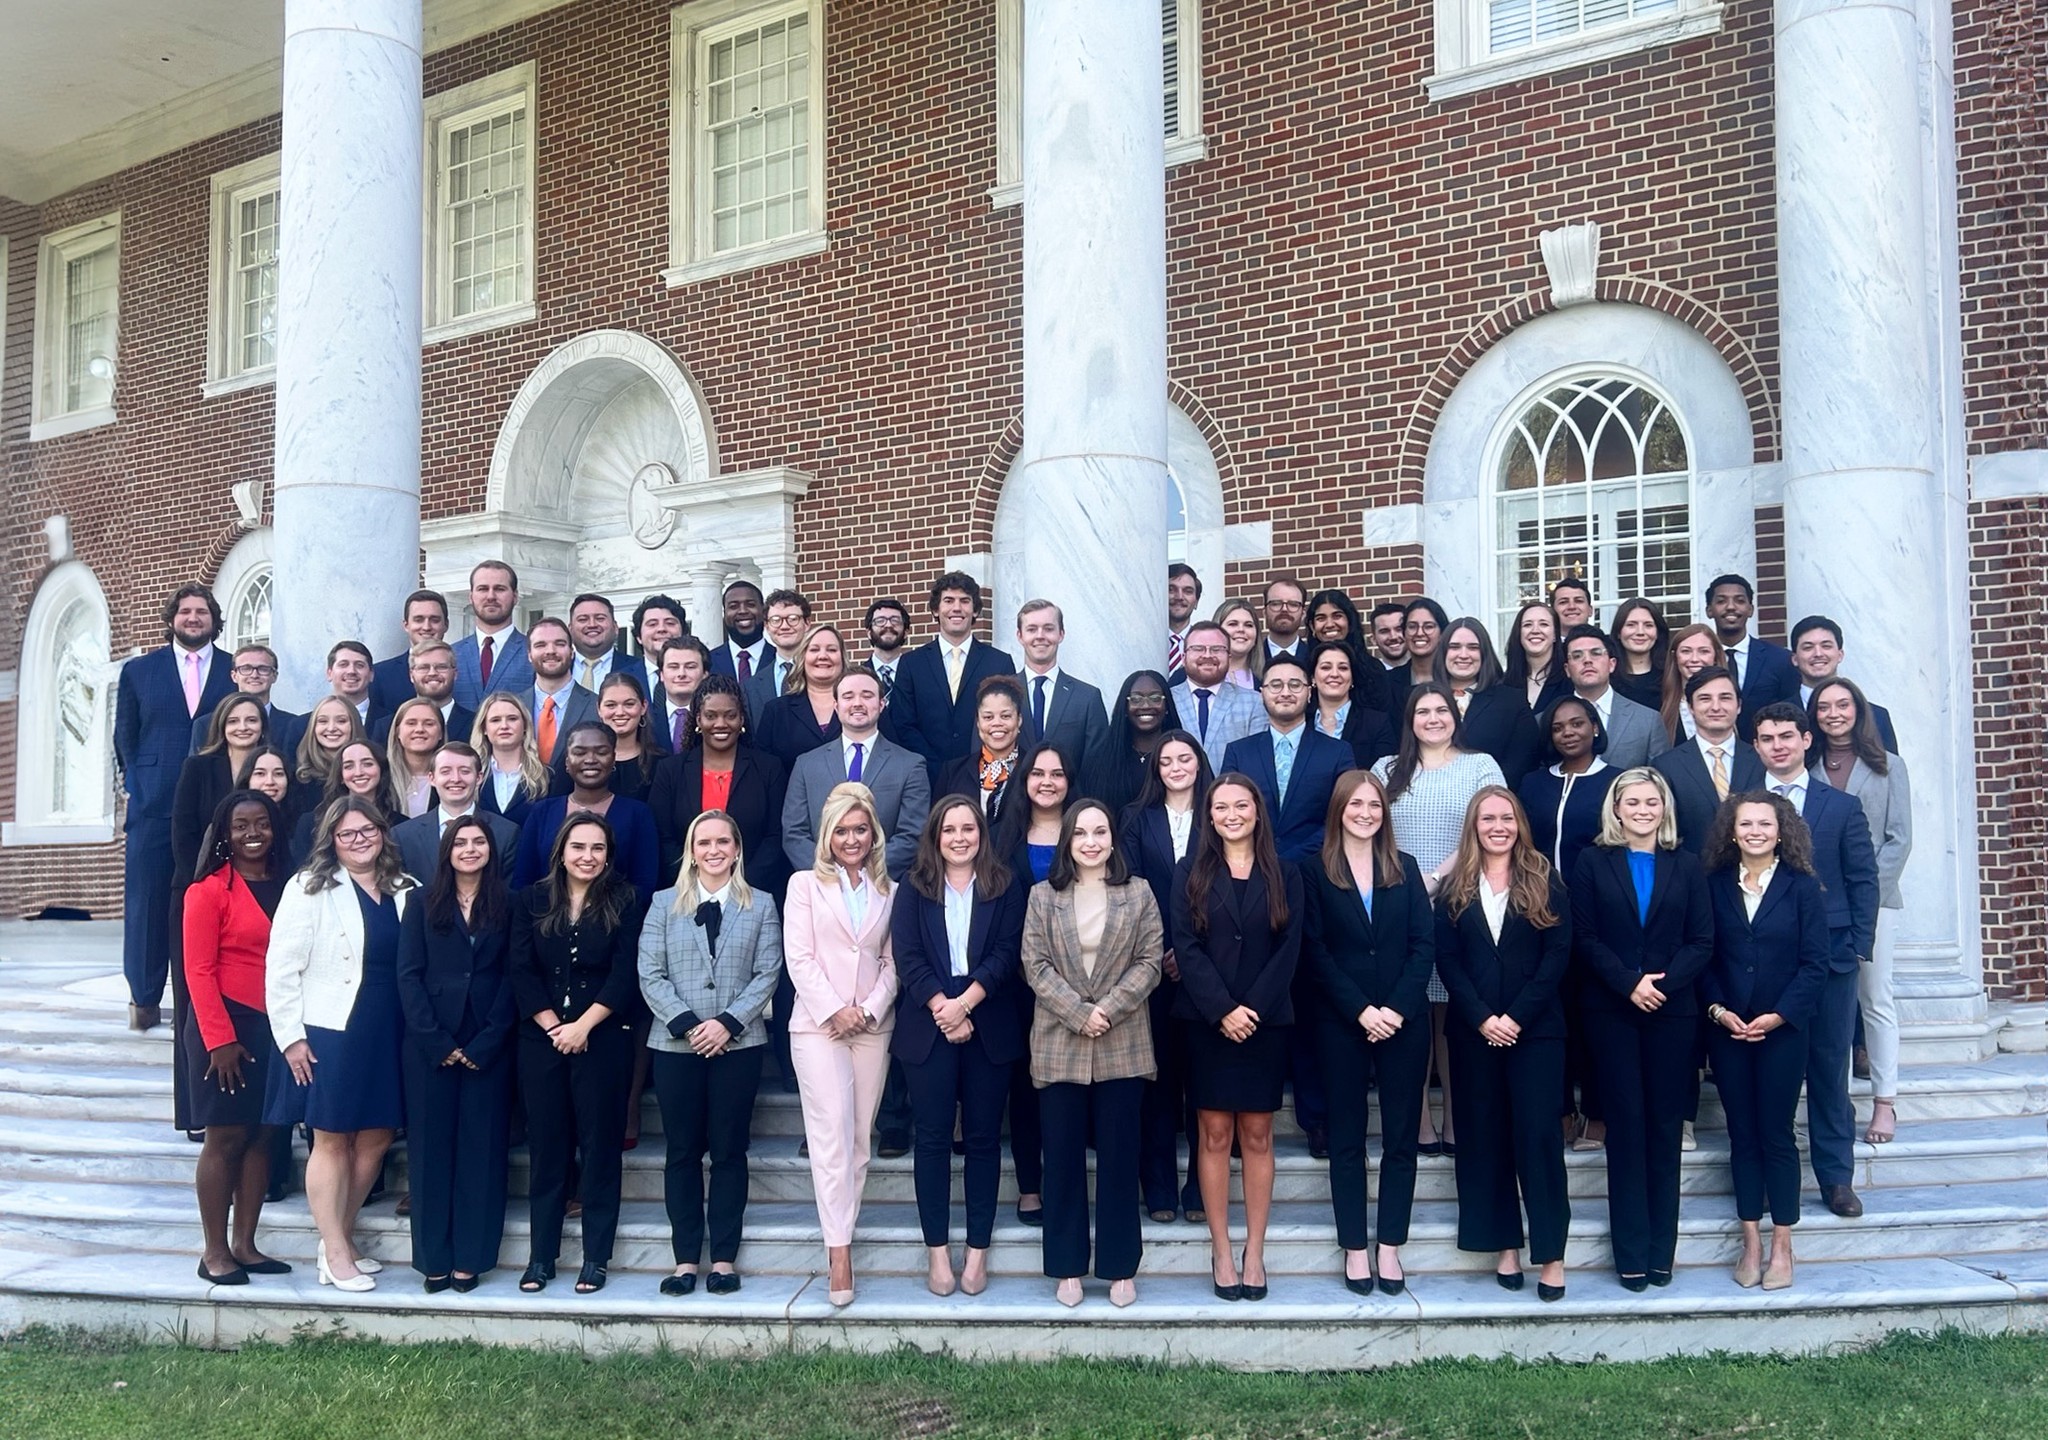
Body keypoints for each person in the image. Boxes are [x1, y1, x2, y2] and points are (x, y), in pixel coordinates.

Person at [1568, 769, 1713, 1290]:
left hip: (1673, 1014)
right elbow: (1582, 936)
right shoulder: (1592, 861)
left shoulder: (1688, 865)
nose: (1643, 810)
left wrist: (1663, 985)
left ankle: (1661, 1255)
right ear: (1617, 808)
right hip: (1611, 1011)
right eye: (1633, 801)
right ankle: (1630, 1253)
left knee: (1664, 1130)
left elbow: (1701, 939)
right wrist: (1629, 984)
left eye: (1652, 801)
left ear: (1664, 808)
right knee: (1625, 1129)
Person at [266, 796, 414, 1291]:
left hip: (389, 1028)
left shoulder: (405, 888)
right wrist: (290, 1038)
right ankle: (333, 1251)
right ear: (332, 840)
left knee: (374, 1139)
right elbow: (281, 967)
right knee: (330, 1139)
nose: (359, 840)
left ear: (382, 832)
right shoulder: (309, 888)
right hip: (331, 1030)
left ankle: (341, 1239)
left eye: (367, 830)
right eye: (348, 834)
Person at [1022, 800, 1163, 1308]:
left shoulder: (1139, 893)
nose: (1090, 841)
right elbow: (1034, 965)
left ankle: (1120, 1266)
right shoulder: (1043, 897)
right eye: (1080, 833)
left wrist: (1107, 1008)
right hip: (1060, 1043)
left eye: (1099, 831)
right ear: (1067, 841)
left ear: (1111, 838)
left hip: (1122, 1044)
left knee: (1121, 1162)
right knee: (1060, 1161)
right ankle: (1066, 1267)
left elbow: (1151, 961)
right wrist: (1080, 1013)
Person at [1435, 786, 1572, 1301]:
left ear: (1519, 823)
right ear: (1473, 824)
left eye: (1507, 817)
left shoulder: (1544, 878)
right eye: (1488, 817)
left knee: (1537, 1140)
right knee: (1483, 1139)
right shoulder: (1455, 886)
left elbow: (1557, 955)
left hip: (1535, 1032)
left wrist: (1513, 1016)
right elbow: (1447, 961)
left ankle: (1552, 1256)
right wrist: (1482, 1017)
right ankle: (1505, 1246)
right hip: (1472, 1034)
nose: (1498, 826)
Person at [639, 810, 783, 1297]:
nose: (714, 850)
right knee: (681, 1152)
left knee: (728, 1151)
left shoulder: (761, 905)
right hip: (675, 1045)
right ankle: (684, 1261)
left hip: (738, 1045)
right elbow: (650, 972)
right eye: (704, 842)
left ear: (737, 849)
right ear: (691, 850)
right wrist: (687, 1024)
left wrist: (726, 1024)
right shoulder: (663, 904)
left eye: (724, 841)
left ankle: (723, 1258)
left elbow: (768, 972)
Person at [1173, 775, 1303, 1303]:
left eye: (1240, 805)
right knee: (1213, 1135)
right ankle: (1222, 1248)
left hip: (1266, 1023)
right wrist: (1224, 1010)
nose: (1231, 814)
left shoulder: (1285, 873)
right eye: (1220, 806)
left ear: (1257, 811)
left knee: (1257, 1135)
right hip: (1207, 1022)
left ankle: (1254, 1249)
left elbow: (1289, 948)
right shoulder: (1190, 872)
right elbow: (1185, 945)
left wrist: (1251, 1008)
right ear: (1209, 815)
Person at [891, 797, 1029, 1297]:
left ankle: (976, 1254)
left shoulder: (1005, 885)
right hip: (928, 1028)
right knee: (930, 1141)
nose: (959, 838)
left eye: (968, 828)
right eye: (949, 829)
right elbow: (906, 954)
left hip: (988, 1022)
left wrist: (965, 1004)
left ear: (981, 833)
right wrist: (942, 1007)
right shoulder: (913, 887)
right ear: (935, 835)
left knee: (982, 1140)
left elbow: (1007, 953)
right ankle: (937, 1256)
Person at [1304, 770, 1433, 1296]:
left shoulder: (1406, 867)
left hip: (1404, 1022)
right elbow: (1315, 951)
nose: (1365, 813)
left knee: (1401, 1139)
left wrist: (1396, 1009)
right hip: (1342, 1022)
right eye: (1355, 805)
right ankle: (1356, 1247)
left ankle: (1390, 1247)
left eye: (1374, 805)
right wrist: (1361, 1010)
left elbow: (1423, 945)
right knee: (1347, 1139)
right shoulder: (1314, 872)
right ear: (1339, 811)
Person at [1752, 701, 1879, 1218]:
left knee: (1829, 1069)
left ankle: (1835, 1177)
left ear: (1807, 740)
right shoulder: (1745, 806)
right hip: (1767, 961)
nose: (1778, 745)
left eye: (1787, 736)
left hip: (1832, 958)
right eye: (1767, 738)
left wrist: (1858, 946)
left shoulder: (1841, 806)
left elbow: (1863, 880)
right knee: (1772, 1073)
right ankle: (1770, 1174)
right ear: (1756, 746)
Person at [509, 812, 645, 1294]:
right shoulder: (531, 900)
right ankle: (541, 1258)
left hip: (603, 1039)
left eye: (598, 849)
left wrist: (583, 1025)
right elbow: (520, 970)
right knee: (548, 1151)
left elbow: (626, 972)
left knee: (601, 1149)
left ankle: (596, 1259)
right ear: (561, 853)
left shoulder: (625, 901)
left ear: (608, 856)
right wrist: (554, 1027)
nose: (587, 857)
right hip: (541, 1043)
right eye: (578, 847)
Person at [1701, 791, 1832, 1290]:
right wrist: (1718, 1010)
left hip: (1782, 1031)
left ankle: (1782, 1244)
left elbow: (1815, 963)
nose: (1755, 831)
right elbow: (1704, 955)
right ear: (1731, 831)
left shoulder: (1802, 887)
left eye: (1765, 823)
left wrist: (1779, 1016)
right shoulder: (1713, 886)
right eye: (1746, 823)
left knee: (1776, 1134)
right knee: (1743, 1133)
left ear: (1782, 831)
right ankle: (1750, 1240)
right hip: (1729, 1028)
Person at [1371, 682, 1506, 1156]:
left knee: (1451, 1014)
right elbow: (1371, 830)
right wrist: (1409, 888)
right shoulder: (1386, 770)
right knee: (1411, 1017)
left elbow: (1487, 828)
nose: (1432, 718)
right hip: (1397, 902)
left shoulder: (1480, 765)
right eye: (1422, 710)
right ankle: (1420, 1123)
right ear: (1409, 719)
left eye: (1441, 710)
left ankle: (1453, 1116)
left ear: (1455, 716)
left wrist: (1434, 880)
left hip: (1459, 899)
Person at [782, 782, 900, 1306]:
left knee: (857, 1138)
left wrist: (869, 1009)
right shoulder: (804, 885)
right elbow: (799, 957)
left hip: (873, 1026)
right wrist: (836, 1009)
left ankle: (843, 1225)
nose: (851, 839)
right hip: (819, 1026)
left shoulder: (890, 890)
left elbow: (896, 962)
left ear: (873, 833)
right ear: (826, 835)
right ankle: (839, 1250)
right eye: (841, 831)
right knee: (829, 1134)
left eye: (860, 829)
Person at [395, 814, 516, 1292]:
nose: (470, 849)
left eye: (478, 841)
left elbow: (514, 974)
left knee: (481, 1154)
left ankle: (471, 1258)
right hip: (431, 1045)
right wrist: (437, 1042)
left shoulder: (509, 903)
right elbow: (408, 974)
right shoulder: (421, 902)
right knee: (429, 1154)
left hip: (489, 1041)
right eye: (460, 842)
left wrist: (487, 1039)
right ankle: (433, 1260)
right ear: (447, 850)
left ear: (490, 849)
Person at [182, 789, 293, 1284]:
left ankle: (246, 1245)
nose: (253, 833)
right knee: (225, 1138)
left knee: (265, 1136)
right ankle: (214, 1252)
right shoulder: (207, 891)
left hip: (278, 1025)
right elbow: (198, 972)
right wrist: (219, 1041)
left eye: (262, 823)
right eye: (241, 825)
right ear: (224, 833)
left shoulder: (293, 886)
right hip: (225, 1027)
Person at [116, 584, 236, 1028]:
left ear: (213, 620)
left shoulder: (231, 669)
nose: (192, 618)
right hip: (153, 803)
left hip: (214, 802)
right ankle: (143, 1000)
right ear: (172, 619)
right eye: (185, 611)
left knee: (209, 899)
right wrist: (138, 782)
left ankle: (198, 1000)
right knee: (146, 901)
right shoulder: (139, 671)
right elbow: (124, 735)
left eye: (201, 612)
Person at [1808, 677, 1911, 1144]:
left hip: (1875, 901)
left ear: (1858, 710)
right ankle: (1836, 1104)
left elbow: (1899, 839)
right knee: (1829, 1006)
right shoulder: (1806, 768)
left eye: (1843, 704)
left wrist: (1863, 894)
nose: (1834, 713)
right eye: (1824, 706)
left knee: (1874, 998)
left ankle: (1884, 1102)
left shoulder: (1889, 767)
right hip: (1818, 904)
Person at [1119, 731, 1212, 1223]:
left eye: (1185, 758)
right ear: (1155, 768)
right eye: (1167, 760)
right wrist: (1160, 952)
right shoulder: (1136, 819)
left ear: (1199, 763)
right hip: (1150, 971)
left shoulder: (1219, 816)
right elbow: (1131, 888)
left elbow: (1224, 888)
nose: (1176, 767)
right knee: (1155, 1081)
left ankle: (1199, 1186)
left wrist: (1190, 951)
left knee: (1201, 1081)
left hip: (1208, 969)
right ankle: (1157, 1187)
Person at [994, 740, 1077, 1223]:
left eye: (1058, 773)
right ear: (1024, 782)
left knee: (1068, 1087)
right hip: (1018, 983)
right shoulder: (1003, 837)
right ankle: (1029, 1185)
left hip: (1080, 981)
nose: (1047, 782)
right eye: (1037, 773)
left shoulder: (1087, 829)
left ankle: (1067, 1181)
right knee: (1027, 1082)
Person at [783, 667, 931, 882]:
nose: (857, 703)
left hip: (883, 888)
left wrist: (864, 875)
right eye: (848, 696)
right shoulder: (806, 765)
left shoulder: (910, 765)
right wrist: (831, 874)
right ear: (836, 706)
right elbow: (794, 833)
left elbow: (912, 835)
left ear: (882, 704)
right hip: (823, 888)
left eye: (867, 695)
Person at [650, 675, 790, 896]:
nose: (721, 724)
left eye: (730, 715)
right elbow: (663, 837)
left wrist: (738, 885)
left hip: (752, 892)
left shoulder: (768, 768)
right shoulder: (671, 771)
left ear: (742, 719)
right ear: (697, 719)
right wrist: (698, 883)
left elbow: (775, 836)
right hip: (687, 893)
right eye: (710, 716)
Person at [514, 723, 661, 905]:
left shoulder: (638, 814)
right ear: (567, 762)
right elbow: (522, 880)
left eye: (601, 752)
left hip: (617, 924)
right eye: (580, 752)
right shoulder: (542, 812)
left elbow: (644, 884)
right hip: (546, 923)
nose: (590, 759)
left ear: (613, 759)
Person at [889, 572, 1015, 781]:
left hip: (986, 777)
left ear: (975, 611)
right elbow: (903, 724)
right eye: (948, 601)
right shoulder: (911, 664)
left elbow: (1007, 720)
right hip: (926, 778)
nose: (957, 608)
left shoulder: (1000, 663)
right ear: (935, 610)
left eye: (965, 601)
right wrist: (935, 768)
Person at [1651, 666, 1762, 852]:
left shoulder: (1761, 760)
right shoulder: (1666, 766)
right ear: (1690, 707)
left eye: (1725, 698)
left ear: (1739, 705)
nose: (1716, 707)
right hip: (1693, 875)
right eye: (1705, 699)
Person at [1516, 695, 1614, 886]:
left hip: (1598, 894)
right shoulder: (1533, 783)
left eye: (1577, 724)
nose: (1567, 732)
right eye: (1557, 729)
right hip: (1540, 894)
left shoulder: (1617, 782)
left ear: (1594, 728)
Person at [1438, 617, 1543, 788]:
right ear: (1443, 652)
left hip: (1492, 802)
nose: (1463, 655)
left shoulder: (1511, 701)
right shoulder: (1421, 699)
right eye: (1454, 647)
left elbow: (1521, 764)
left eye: (1473, 647)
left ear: (1484, 653)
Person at [392, 743, 520, 880]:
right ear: (432, 778)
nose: (456, 779)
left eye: (464, 771)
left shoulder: (506, 832)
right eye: (446, 771)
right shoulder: (403, 836)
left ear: (479, 778)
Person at [1015, 600, 1110, 769]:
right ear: (1020, 636)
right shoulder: (1002, 694)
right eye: (1031, 629)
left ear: (1061, 634)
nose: (1040, 636)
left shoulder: (1087, 698)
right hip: (1011, 795)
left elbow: (1097, 766)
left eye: (1048, 628)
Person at [1560, 625, 1670, 769]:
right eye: (1577, 655)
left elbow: (1660, 780)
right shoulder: (1547, 721)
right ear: (1567, 670)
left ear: (1612, 664)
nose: (1587, 660)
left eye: (1596, 653)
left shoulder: (1648, 721)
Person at [1703, 574, 1797, 733]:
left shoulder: (1780, 659)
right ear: (1709, 610)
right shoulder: (1699, 659)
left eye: (1739, 600)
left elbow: (1792, 712)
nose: (1731, 607)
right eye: (1721, 601)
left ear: (1751, 609)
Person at [1790, 616, 1899, 751]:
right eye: (1808, 647)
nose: (1818, 653)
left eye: (1826, 646)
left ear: (1840, 655)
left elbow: (1890, 769)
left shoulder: (1877, 716)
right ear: (1795, 658)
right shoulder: (1777, 717)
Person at [1088, 670, 1183, 820]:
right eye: (1136, 699)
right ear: (1125, 707)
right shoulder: (1103, 757)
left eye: (1155, 698)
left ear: (1167, 706)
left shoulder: (1184, 756)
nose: (1146, 705)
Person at [938, 675, 1029, 829]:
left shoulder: (1034, 769)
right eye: (988, 717)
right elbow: (938, 826)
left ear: (1019, 720)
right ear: (978, 722)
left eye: (1006, 716)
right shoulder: (953, 772)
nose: (997, 723)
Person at [1171, 620, 1265, 769]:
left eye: (1217, 649)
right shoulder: (1168, 701)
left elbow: (1257, 763)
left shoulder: (1254, 702)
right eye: (1198, 648)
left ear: (1229, 657)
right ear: (1183, 658)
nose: (1207, 655)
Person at [753, 622, 846, 771]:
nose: (823, 656)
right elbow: (763, 770)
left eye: (832, 650)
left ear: (842, 658)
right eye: (814, 649)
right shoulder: (776, 711)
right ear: (802, 658)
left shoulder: (864, 706)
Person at [291, 740, 405, 859]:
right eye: (349, 766)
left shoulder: (401, 825)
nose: (358, 772)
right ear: (341, 776)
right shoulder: (310, 824)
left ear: (381, 771)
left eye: (367, 764)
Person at [190, 643, 306, 756]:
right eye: (246, 668)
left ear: (274, 676)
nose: (254, 675)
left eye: (263, 669)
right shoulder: (205, 725)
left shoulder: (294, 725)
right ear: (234, 676)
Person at [451, 561, 532, 707]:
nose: (491, 596)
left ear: (515, 596)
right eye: (482, 589)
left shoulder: (533, 652)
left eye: (499, 589)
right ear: (471, 597)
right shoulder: (452, 654)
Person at [1307, 640, 1397, 771]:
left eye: (1343, 668)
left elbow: (1386, 775)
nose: (1334, 674)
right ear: (1313, 678)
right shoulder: (1301, 722)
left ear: (1352, 678)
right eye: (1326, 667)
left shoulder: (1376, 723)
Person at [370, 640, 474, 750]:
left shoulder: (476, 724)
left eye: (441, 667)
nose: (432, 673)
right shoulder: (387, 726)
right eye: (424, 667)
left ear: (455, 674)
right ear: (411, 675)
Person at [524, 618, 597, 769]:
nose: (550, 651)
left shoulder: (597, 706)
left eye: (559, 644)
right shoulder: (514, 706)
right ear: (529, 655)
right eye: (540, 645)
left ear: (571, 652)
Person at [578, 669, 660, 801]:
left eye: (629, 704)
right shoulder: (578, 759)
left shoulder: (660, 764)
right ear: (599, 709)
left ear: (643, 707)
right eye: (611, 705)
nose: (620, 712)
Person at [471, 692, 550, 827]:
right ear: (484, 728)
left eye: (512, 719)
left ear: (525, 726)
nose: (504, 726)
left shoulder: (546, 777)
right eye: (495, 720)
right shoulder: (470, 775)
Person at [370, 590, 449, 712]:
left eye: (434, 619)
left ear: (446, 625)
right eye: (419, 619)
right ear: (406, 625)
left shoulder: (460, 669)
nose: (427, 627)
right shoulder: (380, 675)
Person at [1657, 623, 1726, 744]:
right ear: (1675, 657)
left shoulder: (1732, 704)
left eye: (1704, 651)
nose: (1694, 659)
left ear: (1715, 656)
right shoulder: (1658, 707)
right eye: (1686, 651)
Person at [383, 697, 446, 817]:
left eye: (429, 724)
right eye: (411, 723)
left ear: (441, 733)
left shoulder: (451, 779)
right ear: (397, 732)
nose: (419, 729)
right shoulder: (382, 778)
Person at [1503, 601, 1569, 714]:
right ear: (1519, 634)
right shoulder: (1504, 683)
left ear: (1555, 635)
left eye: (1544, 624)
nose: (1535, 631)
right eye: (1527, 625)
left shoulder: (1569, 680)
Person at [651, 634, 712, 753]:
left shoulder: (717, 721)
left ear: (705, 674)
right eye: (673, 667)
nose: (681, 674)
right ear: (661, 675)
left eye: (690, 667)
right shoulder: (647, 722)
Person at [294, 695, 363, 794]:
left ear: (354, 725)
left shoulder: (367, 773)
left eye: (341, 721)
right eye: (323, 721)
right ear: (313, 727)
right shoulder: (298, 778)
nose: (331, 728)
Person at [1610, 599, 1670, 713]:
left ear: (1658, 633)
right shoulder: (1607, 677)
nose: (1640, 632)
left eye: (1648, 625)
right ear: (1618, 632)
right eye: (1631, 625)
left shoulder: (1671, 675)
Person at [627, 594, 689, 700]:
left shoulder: (702, 675)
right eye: (652, 624)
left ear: (683, 632)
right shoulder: (622, 678)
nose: (661, 629)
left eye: (670, 623)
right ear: (638, 637)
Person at [706, 580, 769, 684]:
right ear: (725, 613)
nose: (743, 611)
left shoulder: (780, 659)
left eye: (750, 604)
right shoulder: (708, 662)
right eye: (733, 606)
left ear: (763, 610)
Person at [567, 592, 622, 692]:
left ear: (615, 627)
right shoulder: (558, 669)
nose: (592, 625)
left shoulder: (639, 670)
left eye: (600, 618)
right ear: (570, 630)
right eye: (583, 619)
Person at [323, 641, 382, 731]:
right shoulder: (303, 726)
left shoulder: (391, 723)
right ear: (329, 673)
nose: (351, 671)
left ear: (371, 675)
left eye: (359, 665)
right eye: (343, 664)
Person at [862, 597, 911, 700]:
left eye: (895, 621)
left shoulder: (918, 674)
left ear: (906, 633)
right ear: (869, 633)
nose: (888, 625)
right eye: (880, 621)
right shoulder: (857, 676)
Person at [1395, 598, 1448, 689]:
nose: (1419, 633)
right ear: (1404, 633)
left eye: (1428, 627)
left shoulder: (1455, 679)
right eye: (1412, 626)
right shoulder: (1387, 681)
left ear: (1442, 633)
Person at [1259, 577, 1311, 666]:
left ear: (1303, 614)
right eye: (1276, 603)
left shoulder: (1314, 659)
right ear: (1264, 612)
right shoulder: (1250, 659)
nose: (1284, 609)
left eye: (1293, 604)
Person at [1212, 599, 1261, 689]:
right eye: (1233, 624)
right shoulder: (1188, 678)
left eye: (1248, 625)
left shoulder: (1266, 682)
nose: (1241, 629)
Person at [1166, 563, 1203, 678]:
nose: (1179, 597)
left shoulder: (1205, 645)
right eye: (1171, 589)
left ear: (1196, 602)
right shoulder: (1145, 642)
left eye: (1188, 591)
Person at [1367, 601, 1409, 671]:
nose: (1393, 637)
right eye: (1384, 631)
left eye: (1399, 629)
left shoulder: (1430, 673)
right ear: (1373, 639)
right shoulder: (1367, 678)